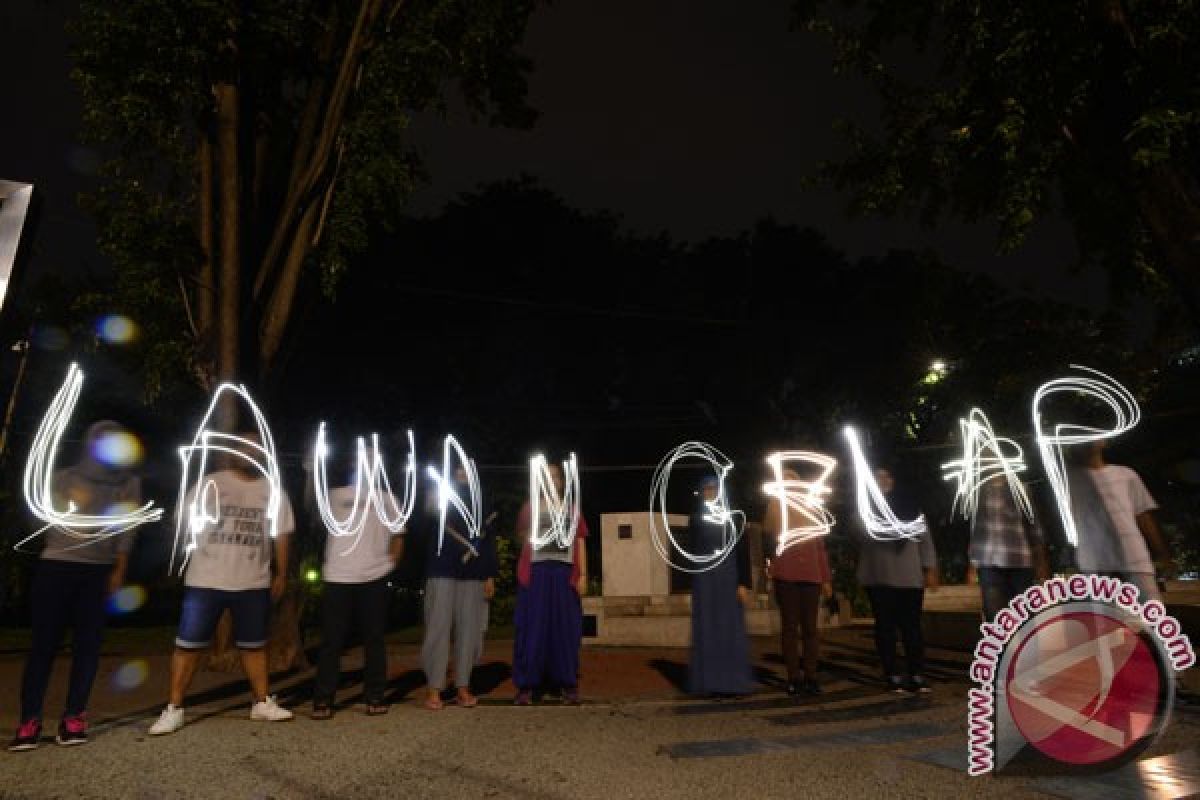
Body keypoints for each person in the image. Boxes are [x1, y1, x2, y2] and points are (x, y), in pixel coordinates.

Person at [148, 432, 295, 735]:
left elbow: (281, 533)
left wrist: (281, 573)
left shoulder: (273, 490)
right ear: (233, 452)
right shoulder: (209, 483)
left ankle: (261, 702)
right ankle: (174, 708)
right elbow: (183, 523)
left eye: (257, 448)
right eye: (245, 448)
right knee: (188, 646)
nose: (251, 453)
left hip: (252, 580)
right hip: (206, 579)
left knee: (254, 646)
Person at [9, 422, 143, 751]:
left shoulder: (127, 483)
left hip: (97, 573)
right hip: (55, 567)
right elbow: (38, 518)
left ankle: (73, 719)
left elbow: (126, 530)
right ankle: (28, 722)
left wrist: (118, 571)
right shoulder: (63, 477)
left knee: (87, 648)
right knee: (43, 646)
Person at [311, 463, 405, 719]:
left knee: (374, 640)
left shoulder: (388, 499)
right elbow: (313, 510)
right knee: (332, 641)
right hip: (338, 576)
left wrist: (390, 564)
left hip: (374, 577)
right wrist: (311, 472)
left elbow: (399, 534)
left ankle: (374, 696)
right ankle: (323, 698)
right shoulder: (336, 495)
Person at [856, 466, 939, 695]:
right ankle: (891, 673)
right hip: (879, 577)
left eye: (886, 476)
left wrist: (930, 568)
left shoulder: (911, 507)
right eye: (877, 477)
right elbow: (864, 533)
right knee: (885, 629)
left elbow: (925, 539)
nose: (882, 480)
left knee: (912, 628)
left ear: (894, 479)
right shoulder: (866, 507)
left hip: (909, 577)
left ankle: (916, 673)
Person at [420, 466, 496, 710]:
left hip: (474, 572)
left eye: (468, 469)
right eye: (459, 469)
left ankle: (463, 685)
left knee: (470, 632)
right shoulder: (439, 492)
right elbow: (425, 520)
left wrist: (489, 575)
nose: (463, 473)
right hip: (442, 567)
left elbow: (489, 539)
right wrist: (434, 500)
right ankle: (434, 688)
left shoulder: (482, 499)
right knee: (438, 629)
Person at [512, 462, 589, 705]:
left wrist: (583, 575)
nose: (552, 481)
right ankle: (527, 686)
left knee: (564, 630)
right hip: (537, 573)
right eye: (547, 477)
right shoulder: (530, 508)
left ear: (562, 483)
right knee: (533, 629)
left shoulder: (572, 510)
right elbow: (522, 538)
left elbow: (580, 541)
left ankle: (566, 683)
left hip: (563, 574)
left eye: (556, 477)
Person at [1067, 440, 1171, 602]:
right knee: (1106, 623)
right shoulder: (1067, 480)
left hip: (1135, 558)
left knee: (1152, 616)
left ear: (1104, 441)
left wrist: (1162, 553)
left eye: (1094, 435)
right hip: (1094, 562)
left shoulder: (1126, 475)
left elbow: (1143, 516)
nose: (1088, 440)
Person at [763, 468, 833, 696]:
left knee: (811, 629)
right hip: (786, 575)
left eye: (793, 480)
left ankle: (811, 677)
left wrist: (826, 578)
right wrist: (769, 567)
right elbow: (767, 542)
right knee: (790, 628)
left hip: (811, 575)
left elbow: (820, 547)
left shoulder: (812, 507)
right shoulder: (775, 507)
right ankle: (793, 677)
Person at [688, 476, 753, 696]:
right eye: (705, 489)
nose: (709, 493)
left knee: (728, 628)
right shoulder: (696, 518)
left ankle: (732, 681)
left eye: (713, 489)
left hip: (728, 576)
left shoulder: (731, 517)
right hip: (705, 579)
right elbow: (692, 551)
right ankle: (710, 682)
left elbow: (742, 550)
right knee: (708, 627)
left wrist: (743, 583)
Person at [967, 474, 1049, 620]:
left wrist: (1041, 561)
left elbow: (1034, 526)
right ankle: (1004, 643)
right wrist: (972, 565)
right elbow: (976, 531)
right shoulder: (977, 492)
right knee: (995, 617)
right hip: (989, 562)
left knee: (1025, 616)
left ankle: (1023, 642)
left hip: (1020, 561)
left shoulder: (1020, 489)